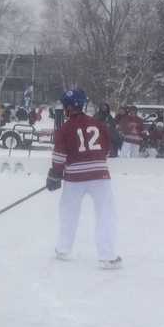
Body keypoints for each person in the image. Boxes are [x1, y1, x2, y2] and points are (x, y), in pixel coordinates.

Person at [46, 88, 121, 269]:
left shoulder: (64, 128)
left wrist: (55, 175)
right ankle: (108, 256)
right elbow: (108, 148)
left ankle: (63, 249)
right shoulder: (98, 124)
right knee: (105, 214)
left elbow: (59, 156)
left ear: (69, 108)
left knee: (68, 213)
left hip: (74, 178)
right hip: (100, 176)